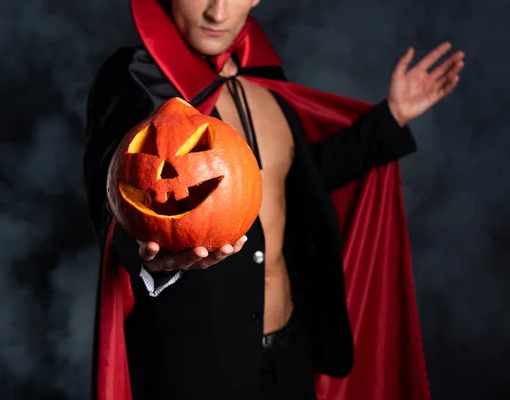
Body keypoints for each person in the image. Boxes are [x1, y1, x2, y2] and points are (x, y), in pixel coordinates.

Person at [83, 1, 464, 400]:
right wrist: (153, 262)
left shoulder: (261, 82)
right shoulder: (135, 78)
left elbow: (296, 181)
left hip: (291, 351)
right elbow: (115, 201)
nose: (218, 13)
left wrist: (392, 117)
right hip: (194, 363)